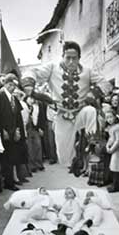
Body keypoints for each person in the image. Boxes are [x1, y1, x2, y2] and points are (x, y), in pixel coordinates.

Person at [29, 40, 108, 168]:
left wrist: (92, 95)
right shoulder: (52, 68)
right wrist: (29, 83)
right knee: (64, 158)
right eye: (68, 58)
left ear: (79, 58)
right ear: (63, 57)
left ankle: (92, 146)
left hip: (80, 113)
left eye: (74, 58)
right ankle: (74, 161)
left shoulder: (87, 72)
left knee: (90, 111)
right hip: (62, 115)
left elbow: (105, 84)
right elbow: (33, 72)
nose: (71, 62)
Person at [0, 73, 25, 191]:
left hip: (13, 132)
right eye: (10, 85)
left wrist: (17, 130)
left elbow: (17, 117)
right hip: (4, 132)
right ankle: (5, 183)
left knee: (11, 158)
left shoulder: (14, 98)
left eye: (14, 86)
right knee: (4, 159)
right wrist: (3, 130)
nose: (12, 88)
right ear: (5, 84)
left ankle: (10, 181)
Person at [104, 109, 119, 193]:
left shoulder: (118, 127)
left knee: (116, 167)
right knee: (113, 167)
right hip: (113, 149)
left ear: (115, 116)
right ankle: (114, 183)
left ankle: (117, 185)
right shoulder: (112, 127)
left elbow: (118, 141)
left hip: (117, 150)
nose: (109, 119)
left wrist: (112, 149)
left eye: (110, 117)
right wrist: (107, 145)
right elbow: (111, 138)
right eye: (107, 118)